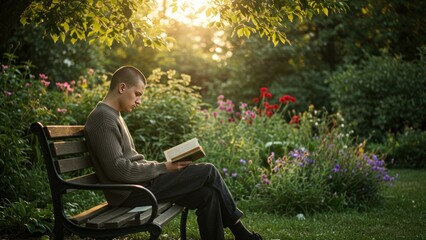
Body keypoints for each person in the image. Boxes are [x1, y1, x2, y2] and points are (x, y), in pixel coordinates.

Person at [84, 65, 262, 240]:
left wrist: (161, 166)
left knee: (208, 195)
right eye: (137, 94)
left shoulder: (113, 114)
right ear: (122, 87)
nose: (139, 101)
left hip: (140, 186)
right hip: (131, 192)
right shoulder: (103, 118)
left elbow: (126, 162)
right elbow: (117, 169)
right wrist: (164, 167)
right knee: (208, 171)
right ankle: (241, 233)